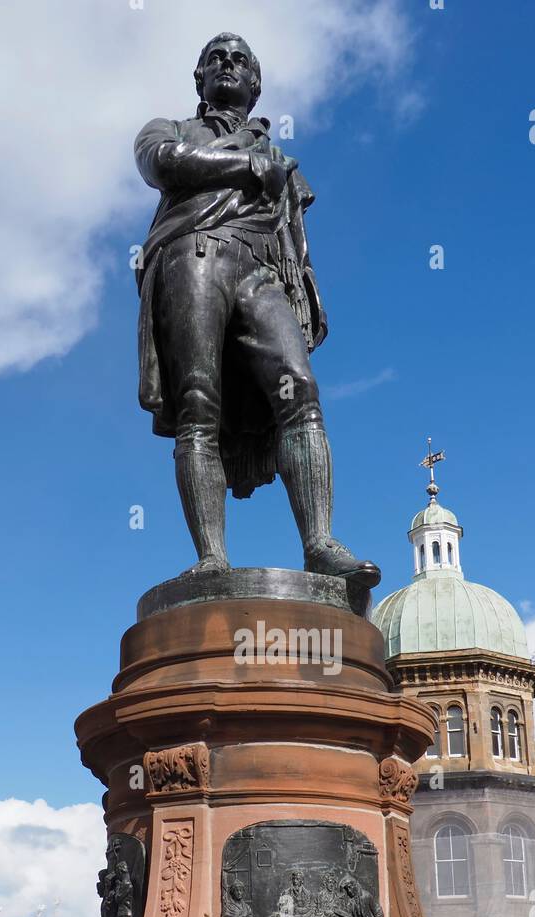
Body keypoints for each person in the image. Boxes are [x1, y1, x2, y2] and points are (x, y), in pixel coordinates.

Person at [133, 33, 379, 586]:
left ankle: (319, 543)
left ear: (255, 84)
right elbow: (165, 163)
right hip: (194, 253)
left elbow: (299, 241)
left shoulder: (282, 157)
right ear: (199, 78)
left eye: (239, 60)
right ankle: (212, 558)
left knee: (301, 390)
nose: (227, 65)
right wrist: (248, 165)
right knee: (199, 402)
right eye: (215, 59)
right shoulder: (169, 130)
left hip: (262, 270)